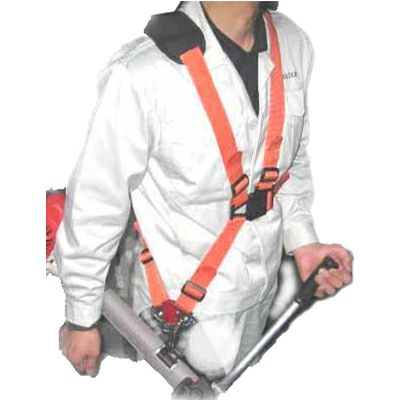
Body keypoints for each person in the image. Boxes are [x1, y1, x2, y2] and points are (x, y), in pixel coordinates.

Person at [55, 1, 352, 380]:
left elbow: (290, 161)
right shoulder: (142, 75)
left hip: (260, 294)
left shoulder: (292, 43)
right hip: (179, 310)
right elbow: (96, 202)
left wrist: (303, 243)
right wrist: (82, 319)